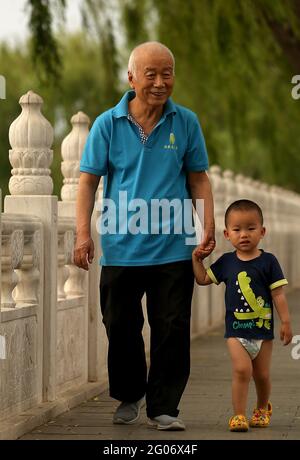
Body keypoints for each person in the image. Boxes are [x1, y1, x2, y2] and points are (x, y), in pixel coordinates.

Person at [74, 41, 215, 431]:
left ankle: (164, 406)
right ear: (131, 78)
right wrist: (82, 234)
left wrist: (207, 226)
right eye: (149, 74)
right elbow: (88, 182)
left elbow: (198, 178)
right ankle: (129, 393)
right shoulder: (107, 123)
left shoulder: (185, 122)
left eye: (166, 73)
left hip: (173, 248)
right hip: (121, 248)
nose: (158, 82)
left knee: (171, 328)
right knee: (119, 326)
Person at [192, 199, 293, 432]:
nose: (244, 235)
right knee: (241, 370)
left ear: (262, 231)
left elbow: (277, 294)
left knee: (262, 375)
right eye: (237, 230)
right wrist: (196, 260)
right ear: (227, 234)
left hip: (262, 332)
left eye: (251, 228)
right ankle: (238, 415)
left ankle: (261, 407)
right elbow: (203, 279)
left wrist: (286, 322)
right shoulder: (227, 262)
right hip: (236, 331)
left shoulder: (269, 262)